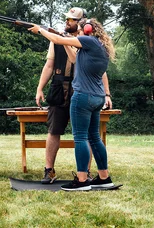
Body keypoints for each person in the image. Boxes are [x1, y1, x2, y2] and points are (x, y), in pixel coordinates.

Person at [29, 18, 116, 191]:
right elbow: (76, 60)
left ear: (88, 29)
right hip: (97, 97)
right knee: (94, 137)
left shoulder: (86, 40)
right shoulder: (99, 45)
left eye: (81, 29)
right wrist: (66, 41)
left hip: (82, 96)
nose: (79, 31)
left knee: (81, 138)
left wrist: (40, 30)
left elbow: (57, 40)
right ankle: (104, 177)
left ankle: (82, 181)